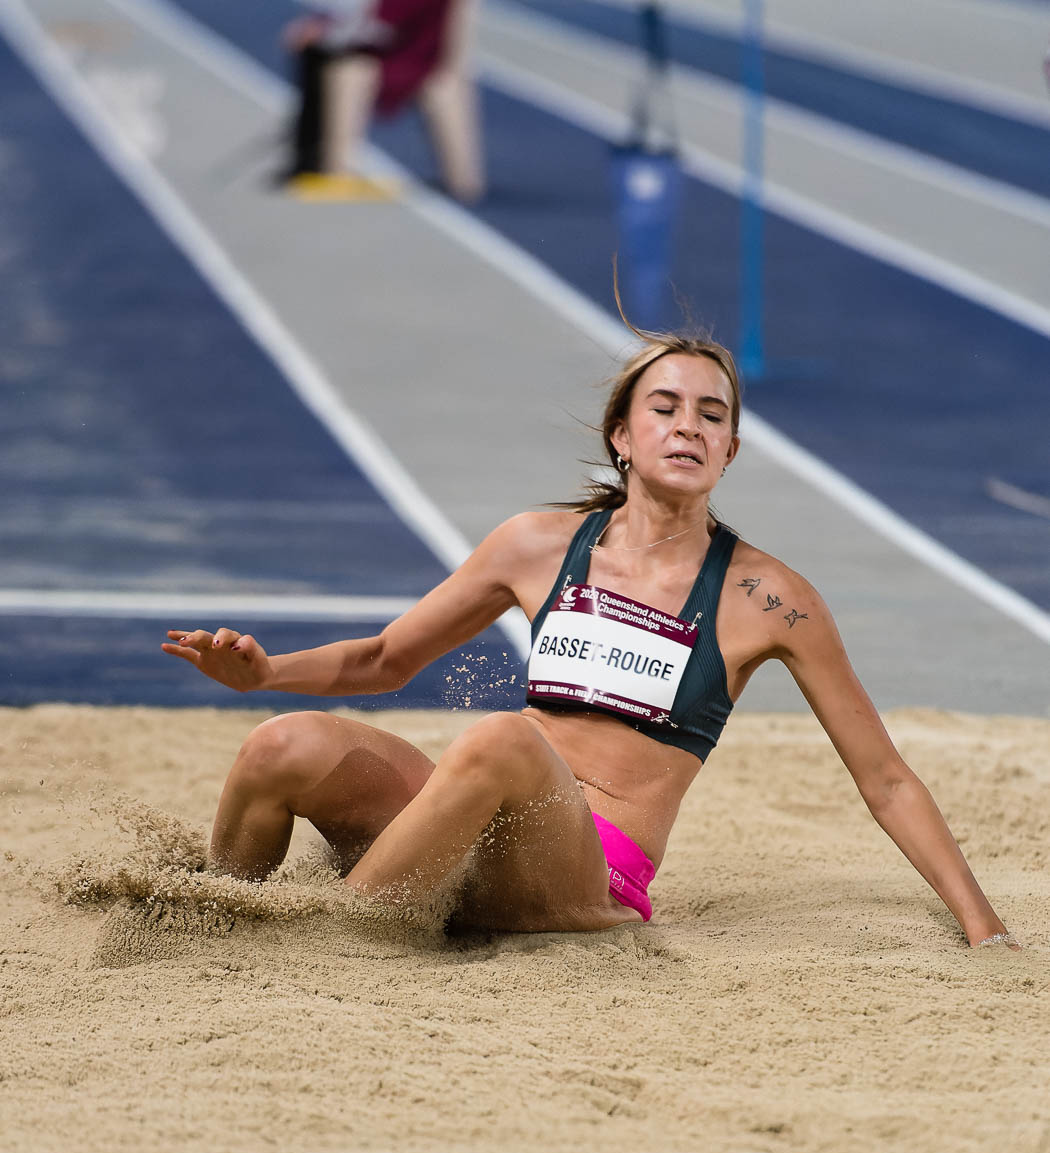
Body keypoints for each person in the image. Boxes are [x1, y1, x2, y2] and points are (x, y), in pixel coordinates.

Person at [162, 328, 1019, 950]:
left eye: (711, 415)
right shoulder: (536, 543)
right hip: (465, 823)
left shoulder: (769, 599)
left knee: (502, 740)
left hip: (584, 874)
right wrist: (265, 674)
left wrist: (984, 927)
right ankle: (204, 922)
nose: (687, 426)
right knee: (281, 745)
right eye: (665, 408)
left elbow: (886, 779)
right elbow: (387, 659)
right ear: (623, 437)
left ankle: (340, 936)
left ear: (729, 450)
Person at [282, 0, 484, 202]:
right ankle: (332, 164)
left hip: (403, 61)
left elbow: (379, 27)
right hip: (425, 62)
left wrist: (325, 32)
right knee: (337, 61)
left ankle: (335, 167)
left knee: (340, 66)